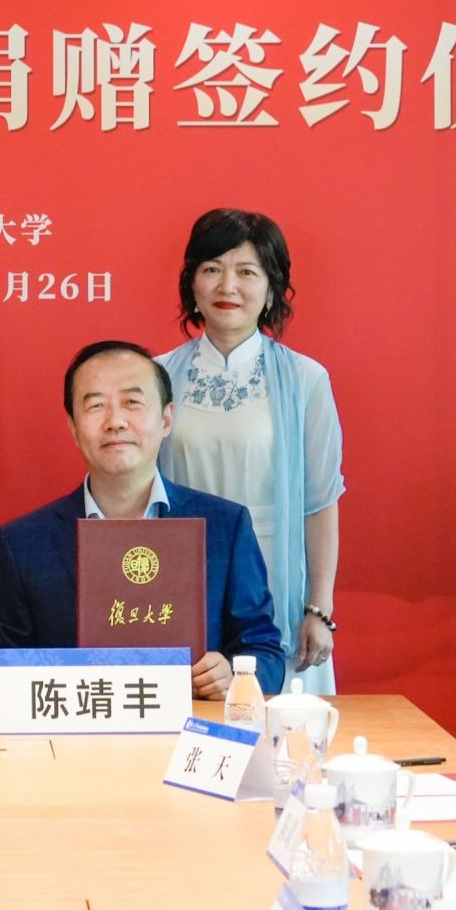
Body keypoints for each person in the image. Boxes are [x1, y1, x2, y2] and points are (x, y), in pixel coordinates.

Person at [0, 341, 283, 698]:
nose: (115, 421)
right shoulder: (25, 542)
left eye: (133, 402)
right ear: (73, 427)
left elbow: (265, 652)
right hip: (77, 730)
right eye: (96, 406)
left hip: (188, 729)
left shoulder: (225, 527)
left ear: (166, 419)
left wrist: (233, 675)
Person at [158, 209, 343, 694]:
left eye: (247, 272)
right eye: (212, 269)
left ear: (272, 289)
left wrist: (318, 608)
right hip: (183, 572)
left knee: (280, 725)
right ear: (192, 283)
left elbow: (320, 503)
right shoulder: (156, 377)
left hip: (273, 577)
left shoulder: (305, 380)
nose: (228, 286)